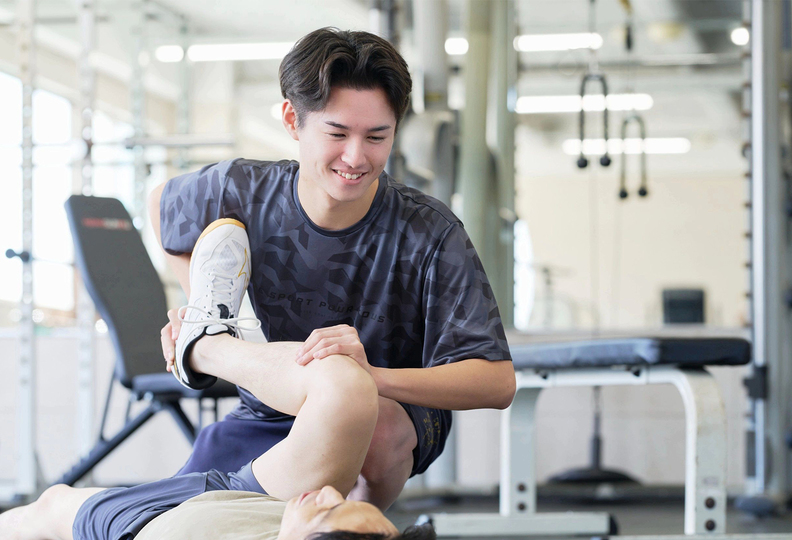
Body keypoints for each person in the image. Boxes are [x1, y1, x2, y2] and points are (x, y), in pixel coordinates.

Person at [150, 27, 515, 510]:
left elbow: (496, 381)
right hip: (270, 409)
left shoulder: (430, 232)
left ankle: (357, 524)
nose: (355, 157)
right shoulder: (240, 189)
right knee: (163, 522)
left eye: (377, 137)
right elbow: (161, 203)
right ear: (292, 120)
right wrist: (203, 305)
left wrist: (366, 378)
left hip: (387, 413)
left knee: (371, 422)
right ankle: (208, 343)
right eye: (337, 134)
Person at [0, 220, 433, 540]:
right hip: (260, 500)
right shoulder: (307, 517)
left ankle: (204, 346)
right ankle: (205, 342)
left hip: (152, 524)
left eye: (329, 510)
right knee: (346, 386)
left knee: (51, 505)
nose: (333, 494)